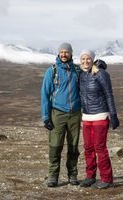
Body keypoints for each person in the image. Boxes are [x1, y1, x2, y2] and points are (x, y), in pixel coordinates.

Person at [41, 42, 81, 187]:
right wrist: (46, 117)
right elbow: (45, 94)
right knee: (55, 145)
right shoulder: (52, 71)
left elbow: (89, 76)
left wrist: (99, 66)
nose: (64, 54)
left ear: (71, 54)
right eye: (62, 52)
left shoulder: (77, 70)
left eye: (67, 52)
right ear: (58, 53)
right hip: (57, 113)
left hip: (75, 114)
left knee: (73, 146)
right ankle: (53, 176)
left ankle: (73, 174)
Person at [79, 50, 120, 189]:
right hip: (86, 117)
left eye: (88, 58)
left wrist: (113, 115)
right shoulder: (81, 75)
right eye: (83, 59)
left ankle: (107, 178)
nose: (85, 61)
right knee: (88, 147)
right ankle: (90, 177)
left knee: (100, 148)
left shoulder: (101, 74)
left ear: (92, 59)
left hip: (100, 116)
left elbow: (109, 94)